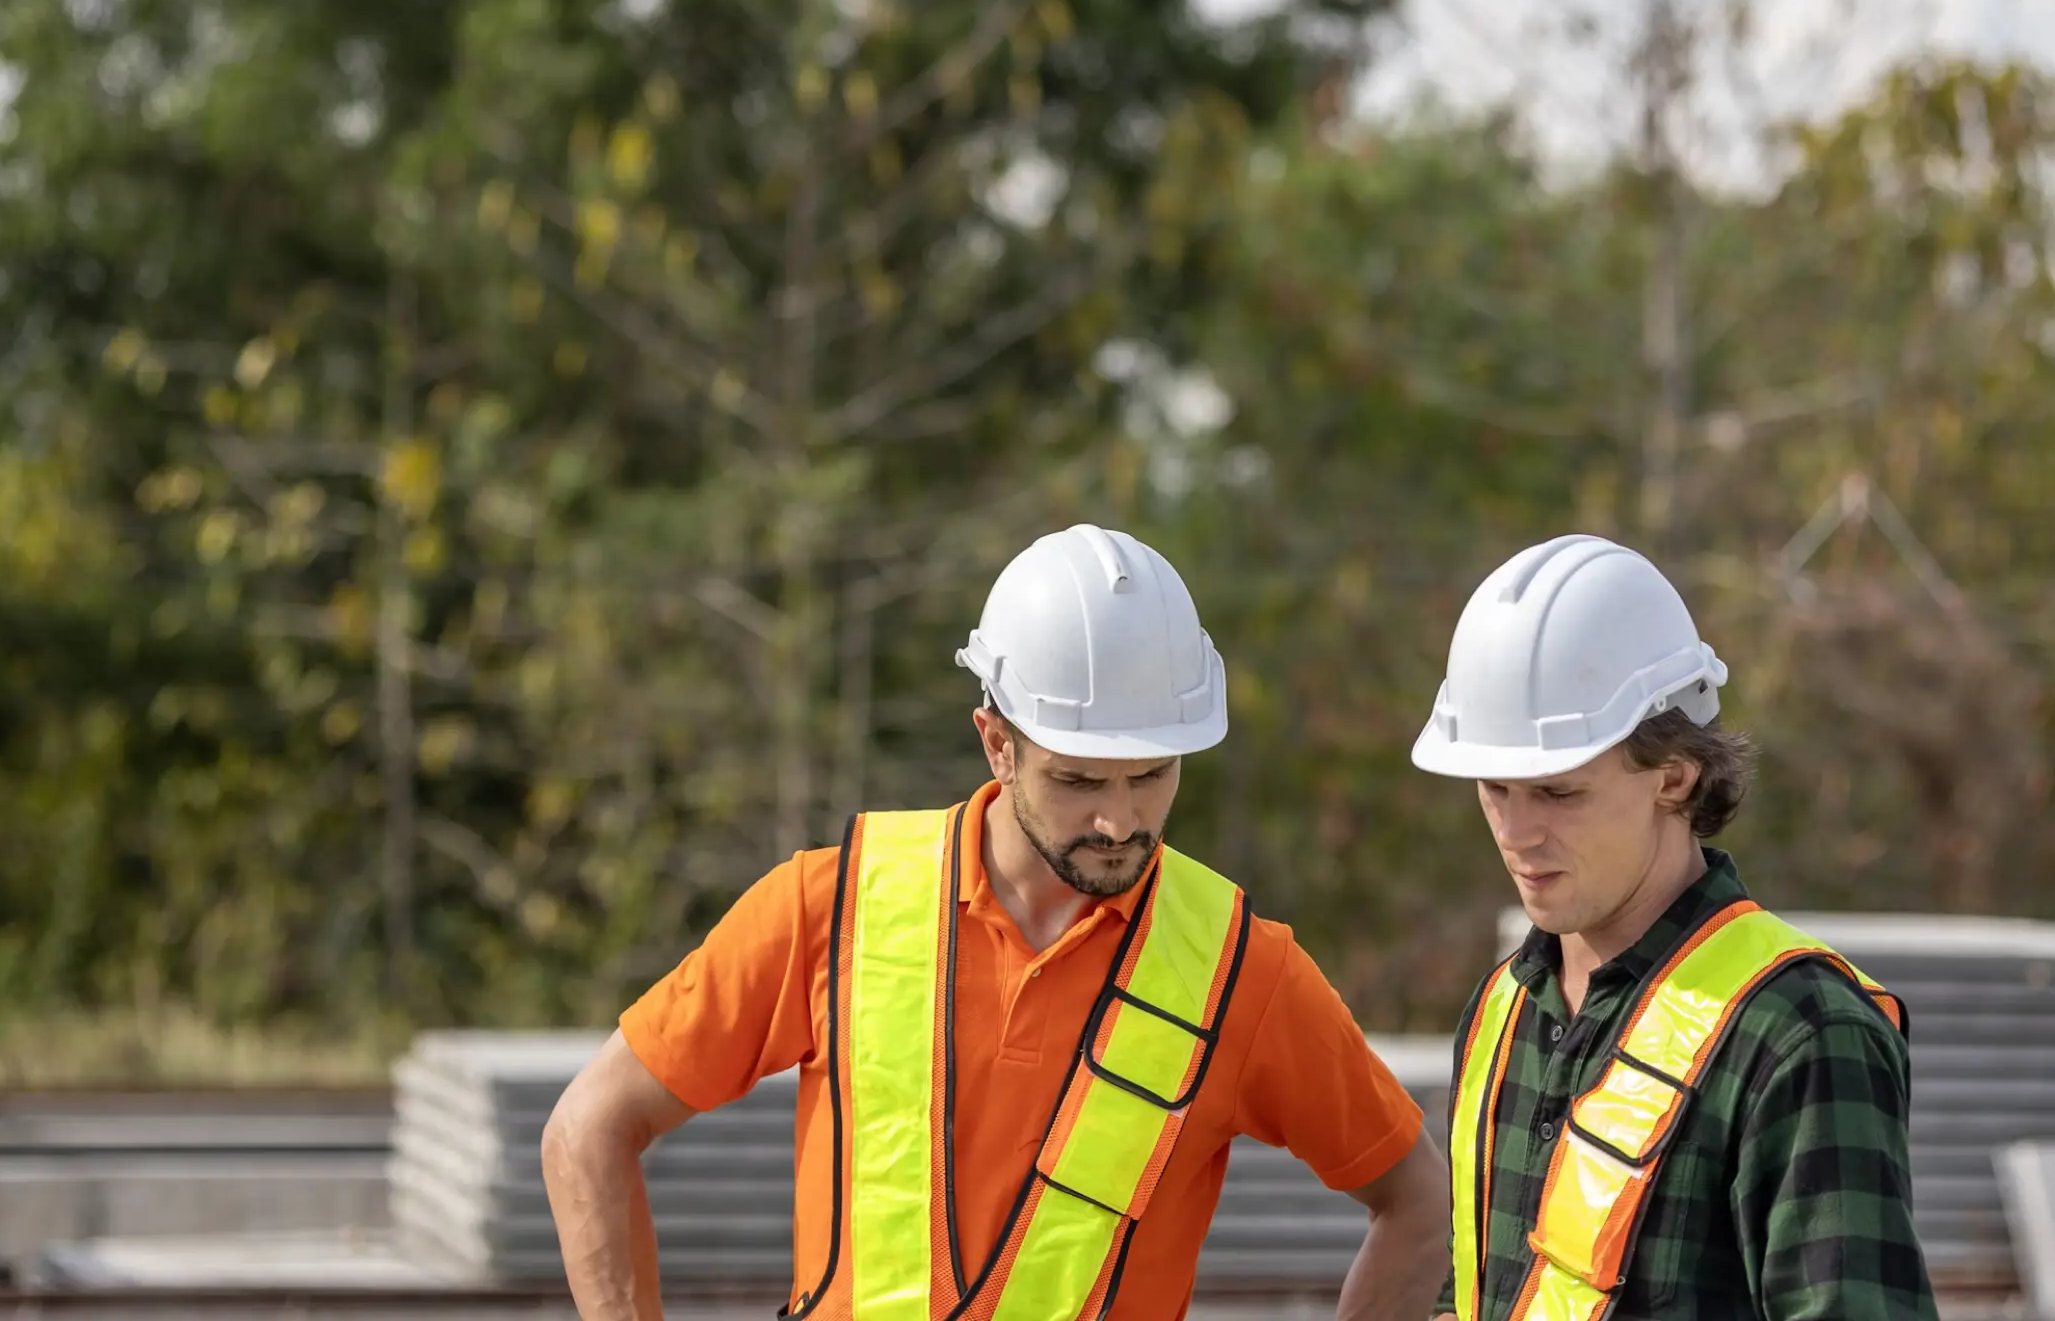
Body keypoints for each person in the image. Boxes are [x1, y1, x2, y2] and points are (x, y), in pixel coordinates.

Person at [545, 523, 1449, 1321]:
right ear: (996, 742)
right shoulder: (831, 909)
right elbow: (587, 1129)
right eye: (1079, 780)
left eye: (1151, 776)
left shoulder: (1239, 972)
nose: (1120, 821)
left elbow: (1419, 1201)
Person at [1415, 534, 1935, 1321]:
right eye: (1494, 788)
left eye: (1557, 793)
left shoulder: (1800, 1033)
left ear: (1674, 776)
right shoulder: (1502, 1011)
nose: (1516, 833)